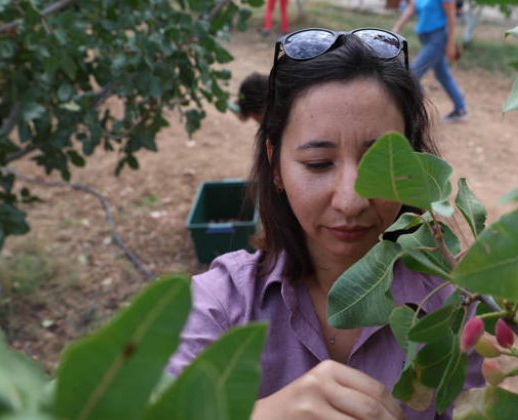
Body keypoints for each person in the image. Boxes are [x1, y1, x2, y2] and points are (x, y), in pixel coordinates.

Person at [166, 29, 483, 419]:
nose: (350, 201)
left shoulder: (457, 307)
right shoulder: (223, 305)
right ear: (276, 164)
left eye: (378, 165)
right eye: (318, 164)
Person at [393, 0, 468, 123]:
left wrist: (450, 44)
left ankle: (414, 113)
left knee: (413, 73)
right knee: (443, 75)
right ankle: (461, 108)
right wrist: (396, 29)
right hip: (427, 40)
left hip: (438, 39)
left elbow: (451, 16)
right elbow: (410, 9)